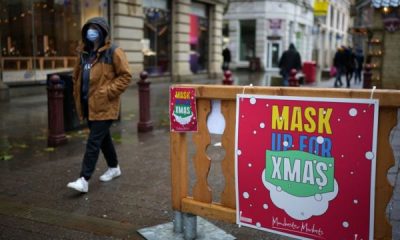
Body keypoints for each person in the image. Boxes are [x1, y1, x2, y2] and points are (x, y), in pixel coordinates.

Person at [67, 17, 132, 193]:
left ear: (103, 32)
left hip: (105, 104)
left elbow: (126, 76)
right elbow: (76, 76)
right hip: (88, 104)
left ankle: (84, 179)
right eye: (89, 28)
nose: (91, 32)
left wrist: (107, 92)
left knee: (93, 141)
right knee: (103, 139)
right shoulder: (84, 53)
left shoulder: (113, 51)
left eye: (95, 28)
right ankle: (114, 167)